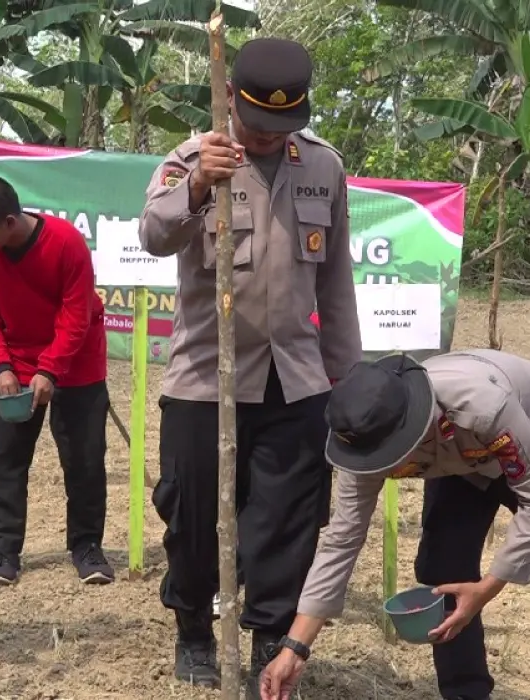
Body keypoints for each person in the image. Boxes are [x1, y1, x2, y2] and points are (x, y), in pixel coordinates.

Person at [137, 37, 362, 696]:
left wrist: (345, 378)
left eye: (282, 127)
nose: (267, 139)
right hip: (205, 379)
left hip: (294, 378)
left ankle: (270, 632)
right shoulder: (188, 161)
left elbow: (336, 285)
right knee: (194, 515)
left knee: (287, 518)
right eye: (258, 123)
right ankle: (193, 631)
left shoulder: (323, 166)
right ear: (230, 98)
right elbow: (152, 237)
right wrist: (202, 185)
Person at [260, 350, 530, 700]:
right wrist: (295, 648)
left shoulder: (482, 405)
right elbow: (342, 540)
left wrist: (487, 588)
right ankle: (465, 692)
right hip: (462, 464)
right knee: (444, 572)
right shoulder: (362, 436)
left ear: (413, 428)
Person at [0, 174, 113, 588]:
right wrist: (0, 367)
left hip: (77, 363)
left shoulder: (65, 243)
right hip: (14, 365)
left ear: (10, 222)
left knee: (83, 460)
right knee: (2, 461)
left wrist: (50, 368)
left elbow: (76, 314)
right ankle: (4, 551)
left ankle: (86, 547)